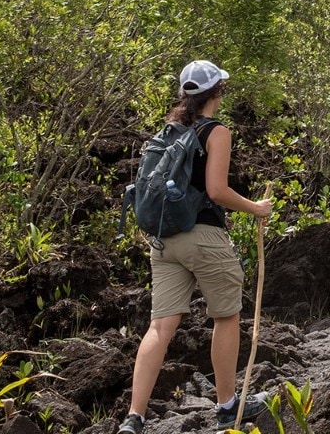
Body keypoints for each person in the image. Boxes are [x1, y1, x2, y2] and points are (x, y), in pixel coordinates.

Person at [119, 60, 274, 434]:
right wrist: (256, 208)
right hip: (202, 236)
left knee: (160, 326)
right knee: (226, 316)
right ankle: (226, 406)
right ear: (217, 91)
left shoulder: (168, 131)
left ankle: (133, 418)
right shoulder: (216, 132)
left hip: (163, 239)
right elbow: (217, 191)